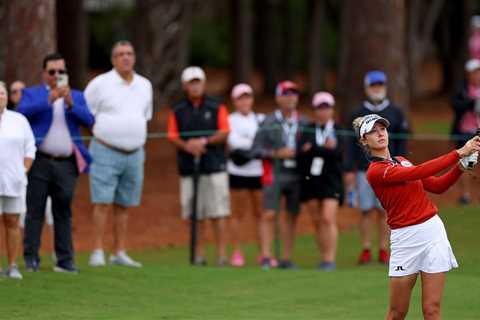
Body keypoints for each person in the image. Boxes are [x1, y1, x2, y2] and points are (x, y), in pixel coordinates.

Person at [354, 113, 480, 320]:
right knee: (397, 313)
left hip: (432, 233)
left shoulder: (402, 161)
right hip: (405, 240)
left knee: (432, 310)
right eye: (372, 132)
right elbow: (418, 173)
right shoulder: (375, 171)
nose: (379, 134)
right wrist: (459, 152)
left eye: (382, 129)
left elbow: (438, 186)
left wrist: (460, 168)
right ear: (364, 140)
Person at [17, 53, 94, 273]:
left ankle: (65, 260)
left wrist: (70, 104)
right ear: (44, 73)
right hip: (39, 161)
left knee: (63, 211)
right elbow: (21, 113)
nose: (57, 76)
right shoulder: (31, 94)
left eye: (61, 71)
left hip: (66, 163)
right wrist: (49, 99)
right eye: (52, 72)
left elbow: (90, 121)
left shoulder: (77, 96)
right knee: (35, 211)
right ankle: (31, 259)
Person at [85, 41, 153, 268]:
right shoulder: (100, 84)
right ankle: (97, 251)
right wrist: (103, 133)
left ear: (134, 58)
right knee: (102, 202)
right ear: (113, 59)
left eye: (129, 54)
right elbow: (85, 114)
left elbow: (145, 116)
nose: (126, 58)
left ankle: (119, 252)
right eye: (121, 54)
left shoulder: (144, 85)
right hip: (105, 150)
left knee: (124, 203)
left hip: (135, 153)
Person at [167, 66, 230, 266]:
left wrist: (203, 142)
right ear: (185, 86)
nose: (195, 86)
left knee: (218, 212)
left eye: (198, 82)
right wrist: (187, 146)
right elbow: (172, 135)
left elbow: (225, 131)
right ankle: (198, 255)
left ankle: (221, 256)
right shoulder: (178, 110)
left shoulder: (216, 106)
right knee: (196, 214)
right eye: (191, 83)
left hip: (214, 165)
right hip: (188, 167)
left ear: (203, 83)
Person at [344, 70, 409, 265]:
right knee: (365, 209)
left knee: (385, 211)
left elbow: (403, 142)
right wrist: (349, 168)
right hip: (365, 169)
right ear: (367, 88)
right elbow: (350, 144)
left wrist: (401, 163)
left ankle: (383, 248)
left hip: (390, 170)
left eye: (380, 85)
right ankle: (366, 248)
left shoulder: (395, 112)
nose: (377, 88)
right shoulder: (357, 113)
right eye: (373, 85)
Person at [251, 80, 308, 270]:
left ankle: (286, 258)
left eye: (294, 93)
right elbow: (255, 149)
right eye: (286, 93)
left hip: (296, 174)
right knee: (268, 213)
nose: (291, 97)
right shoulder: (268, 121)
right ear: (278, 97)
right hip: (274, 172)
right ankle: (266, 256)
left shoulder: (304, 121)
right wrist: (275, 153)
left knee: (292, 215)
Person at [297, 92, 344, 271]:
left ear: (332, 109)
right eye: (319, 108)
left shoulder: (338, 129)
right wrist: (324, 148)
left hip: (331, 179)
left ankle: (330, 259)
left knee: (327, 218)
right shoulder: (308, 129)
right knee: (317, 220)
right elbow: (302, 154)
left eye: (327, 107)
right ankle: (323, 257)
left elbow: (339, 153)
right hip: (311, 179)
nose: (323, 111)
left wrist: (315, 149)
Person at [0, 82, 36, 279]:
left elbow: (30, 147)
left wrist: (24, 170)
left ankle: (12, 265)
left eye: (2, 93)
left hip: (13, 180)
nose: (0, 97)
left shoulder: (18, 120)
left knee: (12, 221)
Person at [227, 84, 264, 267]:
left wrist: (249, 144)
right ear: (235, 101)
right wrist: (253, 145)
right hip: (238, 171)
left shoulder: (260, 119)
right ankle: (236, 252)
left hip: (257, 171)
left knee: (260, 213)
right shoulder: (230, 119)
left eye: (247, 97)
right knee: (238, 214)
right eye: (240, 98)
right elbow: (234, 142)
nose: (244, 101)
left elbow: (263, 143)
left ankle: (263, 252)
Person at [450, 59, 480, 205]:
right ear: (468, 74)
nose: (477, 75)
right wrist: (472, 103)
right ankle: (466, 194)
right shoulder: (461, 89)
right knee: (467, 162)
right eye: (475, 72)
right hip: (465, 131)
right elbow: (455, 105)